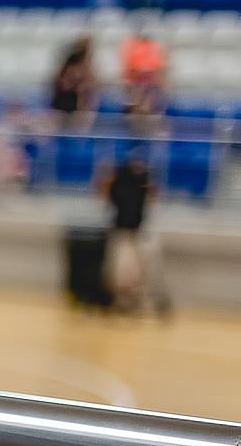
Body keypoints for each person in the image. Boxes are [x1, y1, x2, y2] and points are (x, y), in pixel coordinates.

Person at [103, 149, 171, 315]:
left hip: (137, 232)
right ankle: (122, 301)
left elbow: (152, 196)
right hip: (122, 232)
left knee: (141, 270)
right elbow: (105, 193)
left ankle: (142, 301)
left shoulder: (141, 185)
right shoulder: (119, 183)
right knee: (121, 271)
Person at [48, 36, 98, 123]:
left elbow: (90, 85)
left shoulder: (85, 68)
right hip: (66, 103)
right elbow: (62, 84)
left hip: (78, 106)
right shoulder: (69, 68)